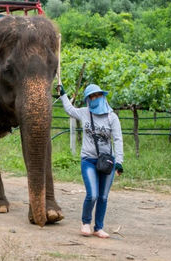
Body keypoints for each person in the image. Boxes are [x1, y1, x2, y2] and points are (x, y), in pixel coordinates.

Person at [56, 82, 123, 238]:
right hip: (88, 159)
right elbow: (70, 110)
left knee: (103, 196)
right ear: (88, 99)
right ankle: (85, 223)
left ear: (102, 96)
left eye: (97, 95)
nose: (94, 98)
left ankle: (98, 227)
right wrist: (63, 95)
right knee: (92, 194)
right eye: (91, 96)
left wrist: (119, 162)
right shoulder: (85, 112)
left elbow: (118, 140)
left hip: (108, 162)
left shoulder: (112, 117)